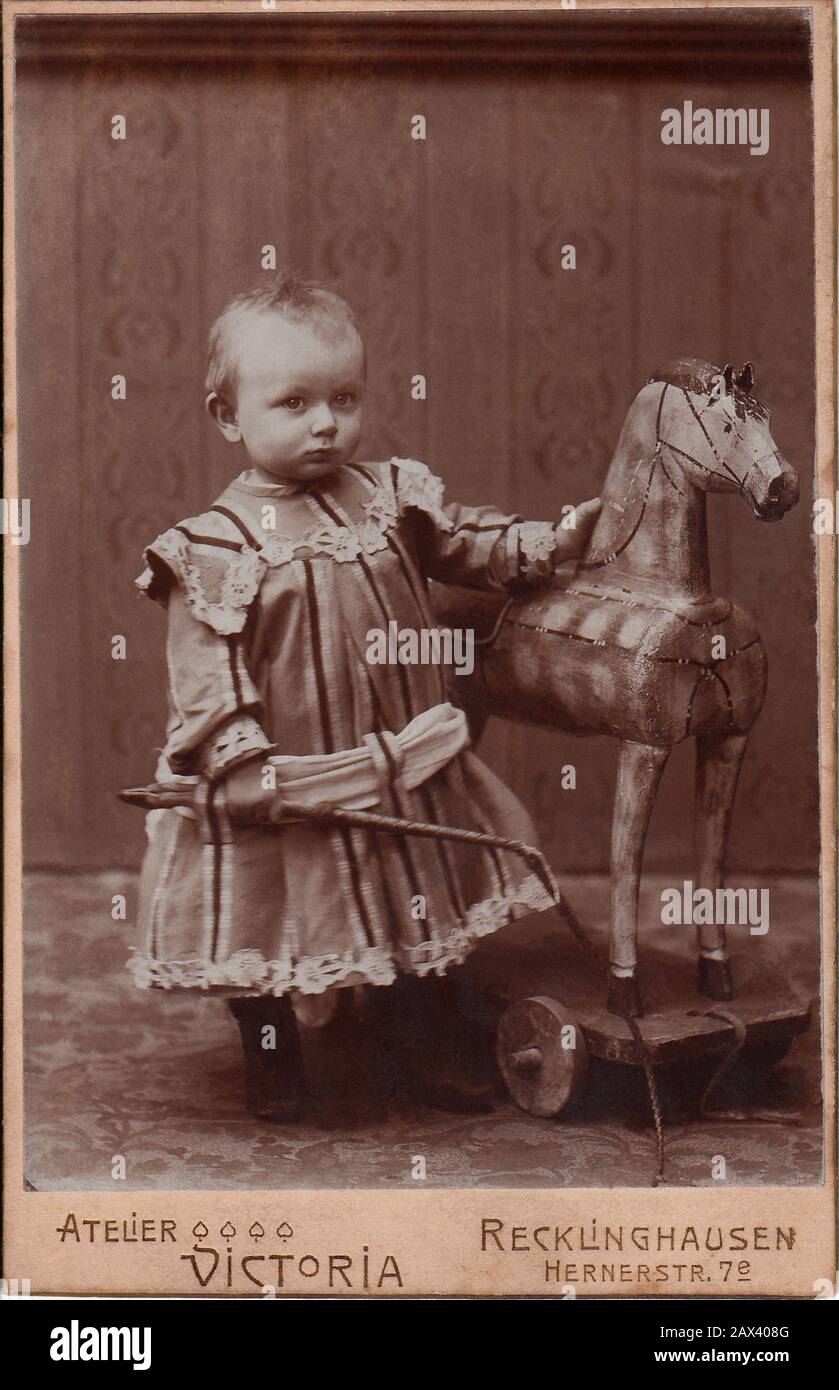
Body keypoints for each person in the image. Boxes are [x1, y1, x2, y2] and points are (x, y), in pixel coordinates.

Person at [130, 273, 600, 1122]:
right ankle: (269, 1047)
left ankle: (416, 1031)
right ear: (227, 416)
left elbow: (462, 543)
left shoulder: (387, 497)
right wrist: (240, 758)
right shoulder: (207, 549)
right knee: (270, 923)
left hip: (401, 762)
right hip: (289, 783)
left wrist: (543, 542)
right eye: (294, 403)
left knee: (411, 900)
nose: (325, 423)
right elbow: (203, 675)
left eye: (344, 398)